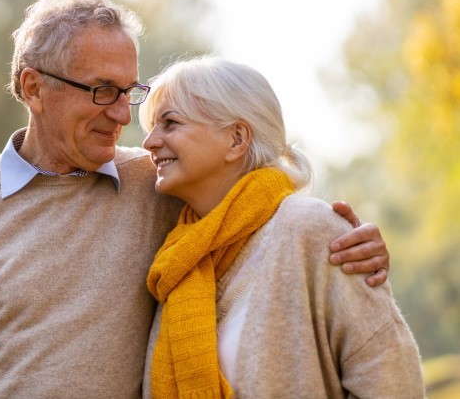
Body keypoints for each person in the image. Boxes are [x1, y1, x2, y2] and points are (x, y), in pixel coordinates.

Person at [0, 0, 391, 398]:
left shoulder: (162, 183)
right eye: (101, 90)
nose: (123, 114)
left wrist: (351, 243)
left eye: (129, 91)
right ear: (33, 88)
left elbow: (256, 198)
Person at [139, 56, 423, 398]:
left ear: (237, 139)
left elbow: (391, 378)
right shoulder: (178, 257)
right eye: (152, 127)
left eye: (169, 123)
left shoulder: (312, 230)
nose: (149, 142)